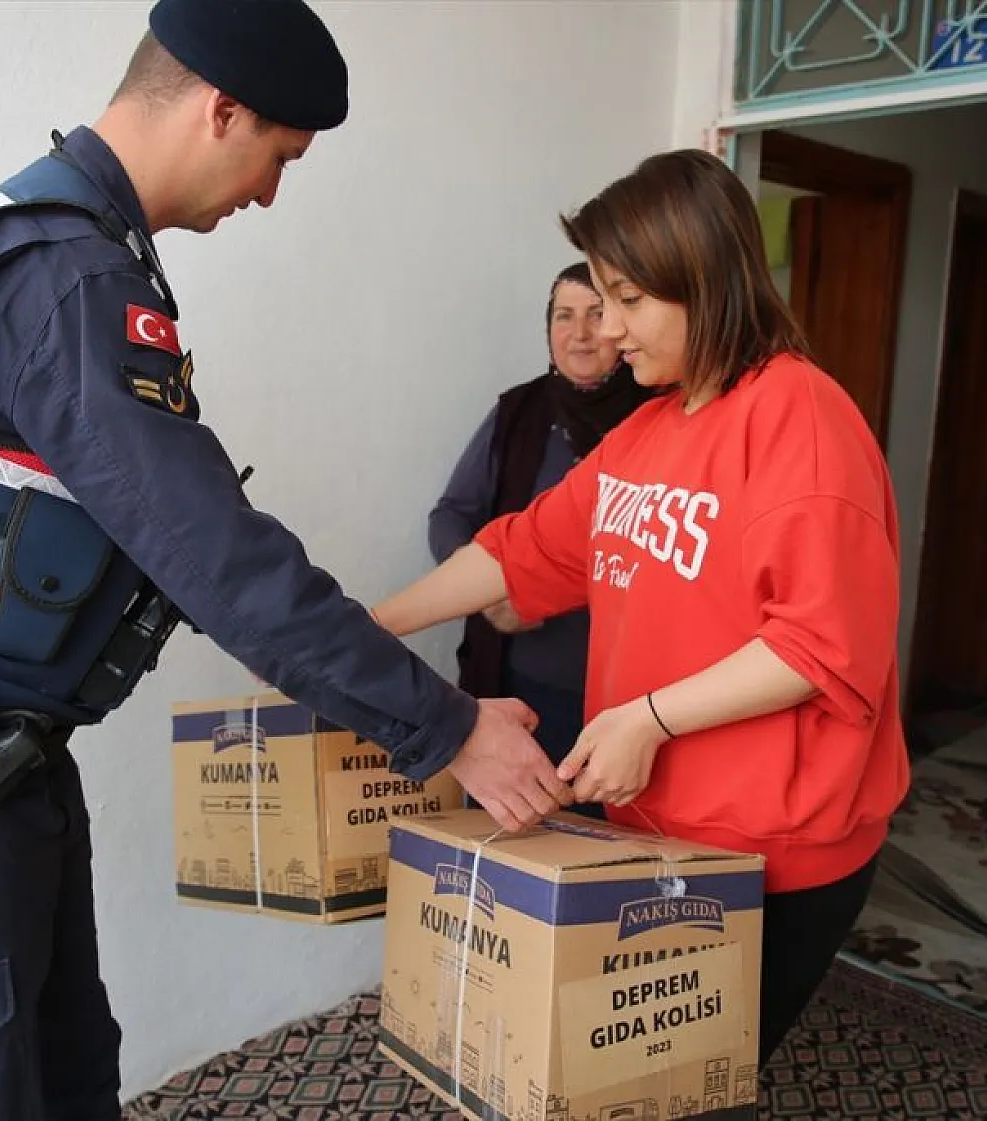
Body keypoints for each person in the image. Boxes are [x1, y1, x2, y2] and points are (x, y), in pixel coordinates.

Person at [0, 2, 571, 1117]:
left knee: (67, 1081)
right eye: (279, 157)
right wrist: (450, 728)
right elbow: (215, 556)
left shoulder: (63, 241)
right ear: (221, 111)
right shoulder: (67, 277)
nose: (269, 193)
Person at [372, 148, 911, 1088]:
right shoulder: (649, 431)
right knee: (624, 1083)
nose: (609, 329)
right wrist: (362, 630)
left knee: (686, 1089)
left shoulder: (800, 417)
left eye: (626, 298)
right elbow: (518, 549)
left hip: (771, 847)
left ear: (700, 274)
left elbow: (820, 643)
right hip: (652, 827)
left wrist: (646, 718)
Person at [428, 262, 655, 818]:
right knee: (515, 852)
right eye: (563, 316)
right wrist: (492, 593)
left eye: (596, 314)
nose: (579, 333)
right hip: (524, 693)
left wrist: (539, 587)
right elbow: (452, 515)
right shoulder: (518, 413)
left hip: (632, 702)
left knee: (617, 868)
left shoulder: (658, 415)